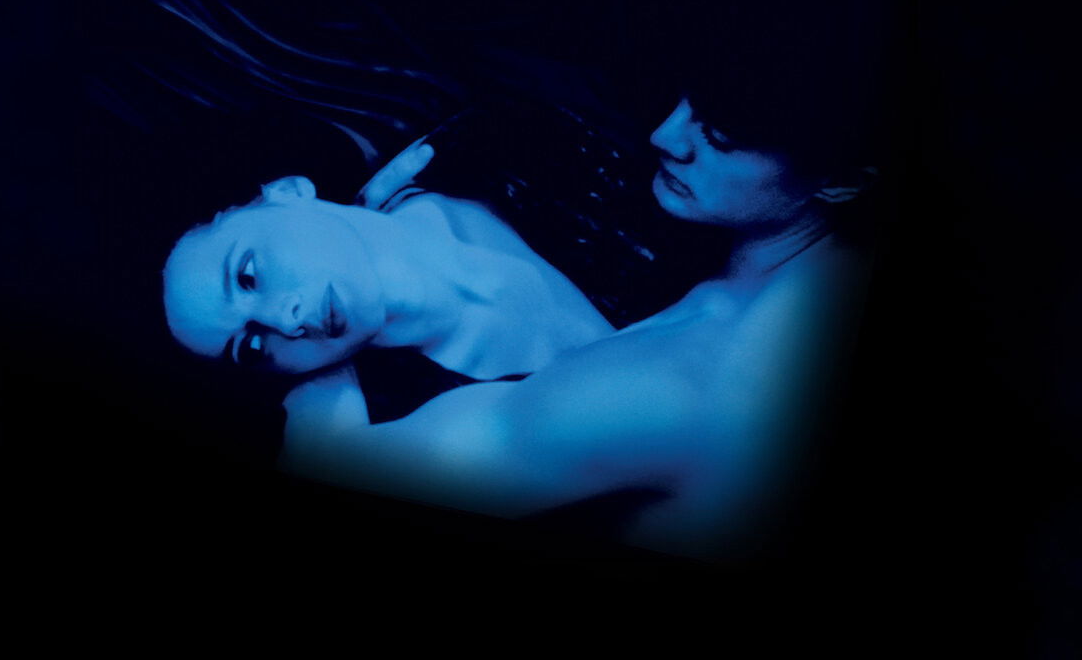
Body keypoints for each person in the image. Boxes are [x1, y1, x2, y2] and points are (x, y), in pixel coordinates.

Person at [276, 90, 879, 561]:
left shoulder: (678, 385)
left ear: (844, 179)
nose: (665, 136)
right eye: (686, 102)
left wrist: (335, 290)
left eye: (720, 137)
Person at [161, 133, 617, 387]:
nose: (285, 320)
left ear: (289, 191)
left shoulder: (493, 153)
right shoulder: (421, 436)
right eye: (252, 348)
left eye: (248, 276)